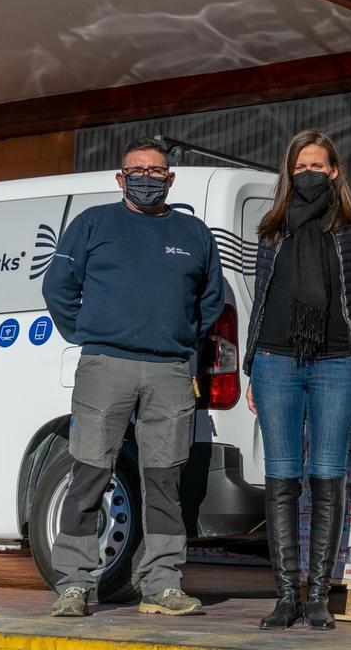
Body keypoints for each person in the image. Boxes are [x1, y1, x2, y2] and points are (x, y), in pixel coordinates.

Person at [43, 137, 224, 617]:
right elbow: (57, 286)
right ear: (121, 178)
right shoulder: (93, 224)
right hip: (107, 366)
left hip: (169, 370)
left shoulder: (194, 233)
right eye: (137, 171)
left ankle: (161, 584)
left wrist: (182, 339)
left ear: (171, 178)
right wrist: (89, 333)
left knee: (164, 479)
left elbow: (211, 299)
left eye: (156, 171)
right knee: (89, 475)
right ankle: (75, 584)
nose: (147, 178)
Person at [241, 130, 351, 630]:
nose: (309, 175)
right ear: (289, 172)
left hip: (339, 363)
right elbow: (261, 299)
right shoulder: (272, 227)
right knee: (282, 479)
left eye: (318, 166)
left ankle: (318, 595)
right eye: (301, 167)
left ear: (336, 171)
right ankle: (285, 595)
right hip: (277, 362)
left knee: (327, 477)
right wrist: (252, 365)